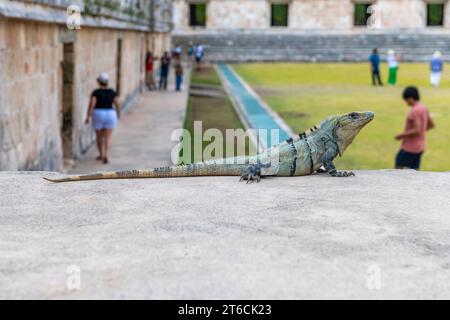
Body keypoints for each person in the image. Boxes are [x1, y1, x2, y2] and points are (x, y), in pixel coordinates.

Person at [395, 86, 435, 170]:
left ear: (410, 98)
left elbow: (416, 130)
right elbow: (431, 125)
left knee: (397, 171)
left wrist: (401, 135)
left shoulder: (414, 111)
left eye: (406, 100)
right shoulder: (424, 108)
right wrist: (422, 129)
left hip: (409, 148)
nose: (406, 103)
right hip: (420, 147)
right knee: (415, 174)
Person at [85, 73, 120, 164]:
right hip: (110, 113)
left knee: (99, 136)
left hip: (98, 113)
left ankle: (101, 154)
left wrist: (88, 116)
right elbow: (117, 103)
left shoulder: (96, 92)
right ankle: (106, 155)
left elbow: (92, 105)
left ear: (98, 82)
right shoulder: (112, 92)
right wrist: (118, 114)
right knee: (108, 137)